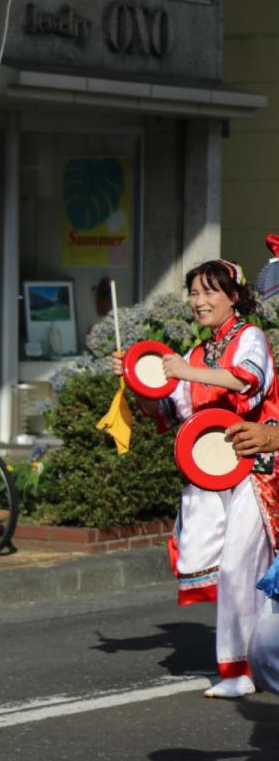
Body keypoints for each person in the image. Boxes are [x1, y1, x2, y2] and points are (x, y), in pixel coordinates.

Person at [114, 259, 279, 699]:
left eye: (210, 292)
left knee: (240, 566)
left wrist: (183, 372)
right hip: (210, 475)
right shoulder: (194, 353)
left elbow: (248, 383)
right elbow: (168, 412)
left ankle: (239, 668)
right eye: (194, 292)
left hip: (254, 471)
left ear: (234, 297)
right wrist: (137, 381)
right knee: (239, 571)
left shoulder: (250, 338)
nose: (200, 301)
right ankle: (254, 662)